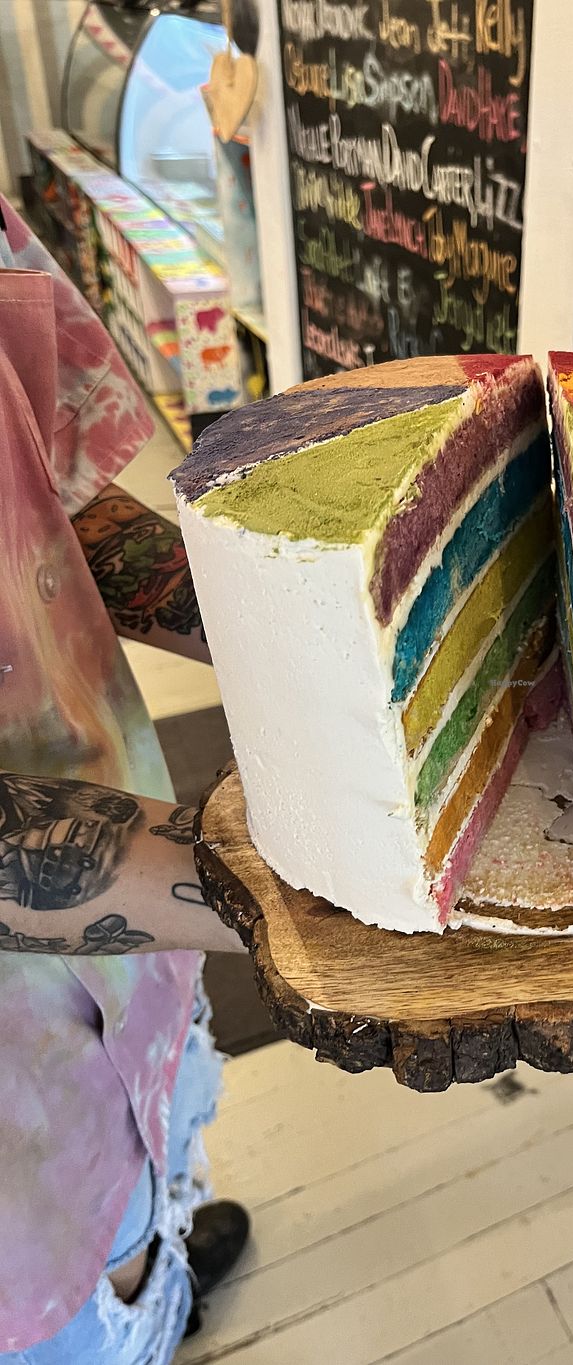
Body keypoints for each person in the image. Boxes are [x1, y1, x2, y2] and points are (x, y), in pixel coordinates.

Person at [0, 194, 249, 1362]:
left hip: (134, 948)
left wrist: (311, 638)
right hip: (16, 1126)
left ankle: (157, 1263)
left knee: (153, 1184)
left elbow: (57, 496)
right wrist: (274, 887)